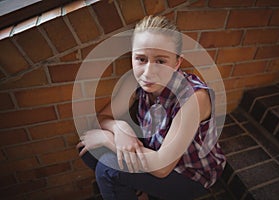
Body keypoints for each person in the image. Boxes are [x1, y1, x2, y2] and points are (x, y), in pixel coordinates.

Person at [76, 15, 226, 200]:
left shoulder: (193, 98)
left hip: (189, 174)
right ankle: (139, 191)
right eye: (141, 59)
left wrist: (109, 140)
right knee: (90, 150)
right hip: (154, 153)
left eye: (161, 61)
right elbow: (102, 117)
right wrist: (120, 129)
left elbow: (163, 167)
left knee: (108, 166)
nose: (148, 73)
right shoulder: (134, 81)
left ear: (177, 62)